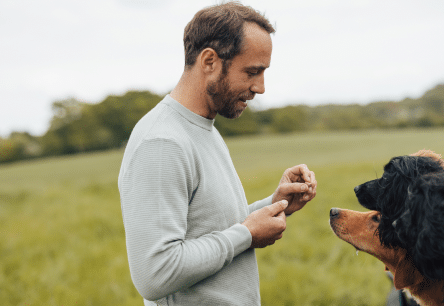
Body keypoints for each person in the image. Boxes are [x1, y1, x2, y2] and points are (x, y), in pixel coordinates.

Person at [118, 2, 317, 305]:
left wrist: (276, 204)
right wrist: (248, 235)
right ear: (209, 61)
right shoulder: (162, 143)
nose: (260, 87)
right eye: (252, 71)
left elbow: (211, 229)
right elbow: (155, 273)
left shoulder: (204, 128)